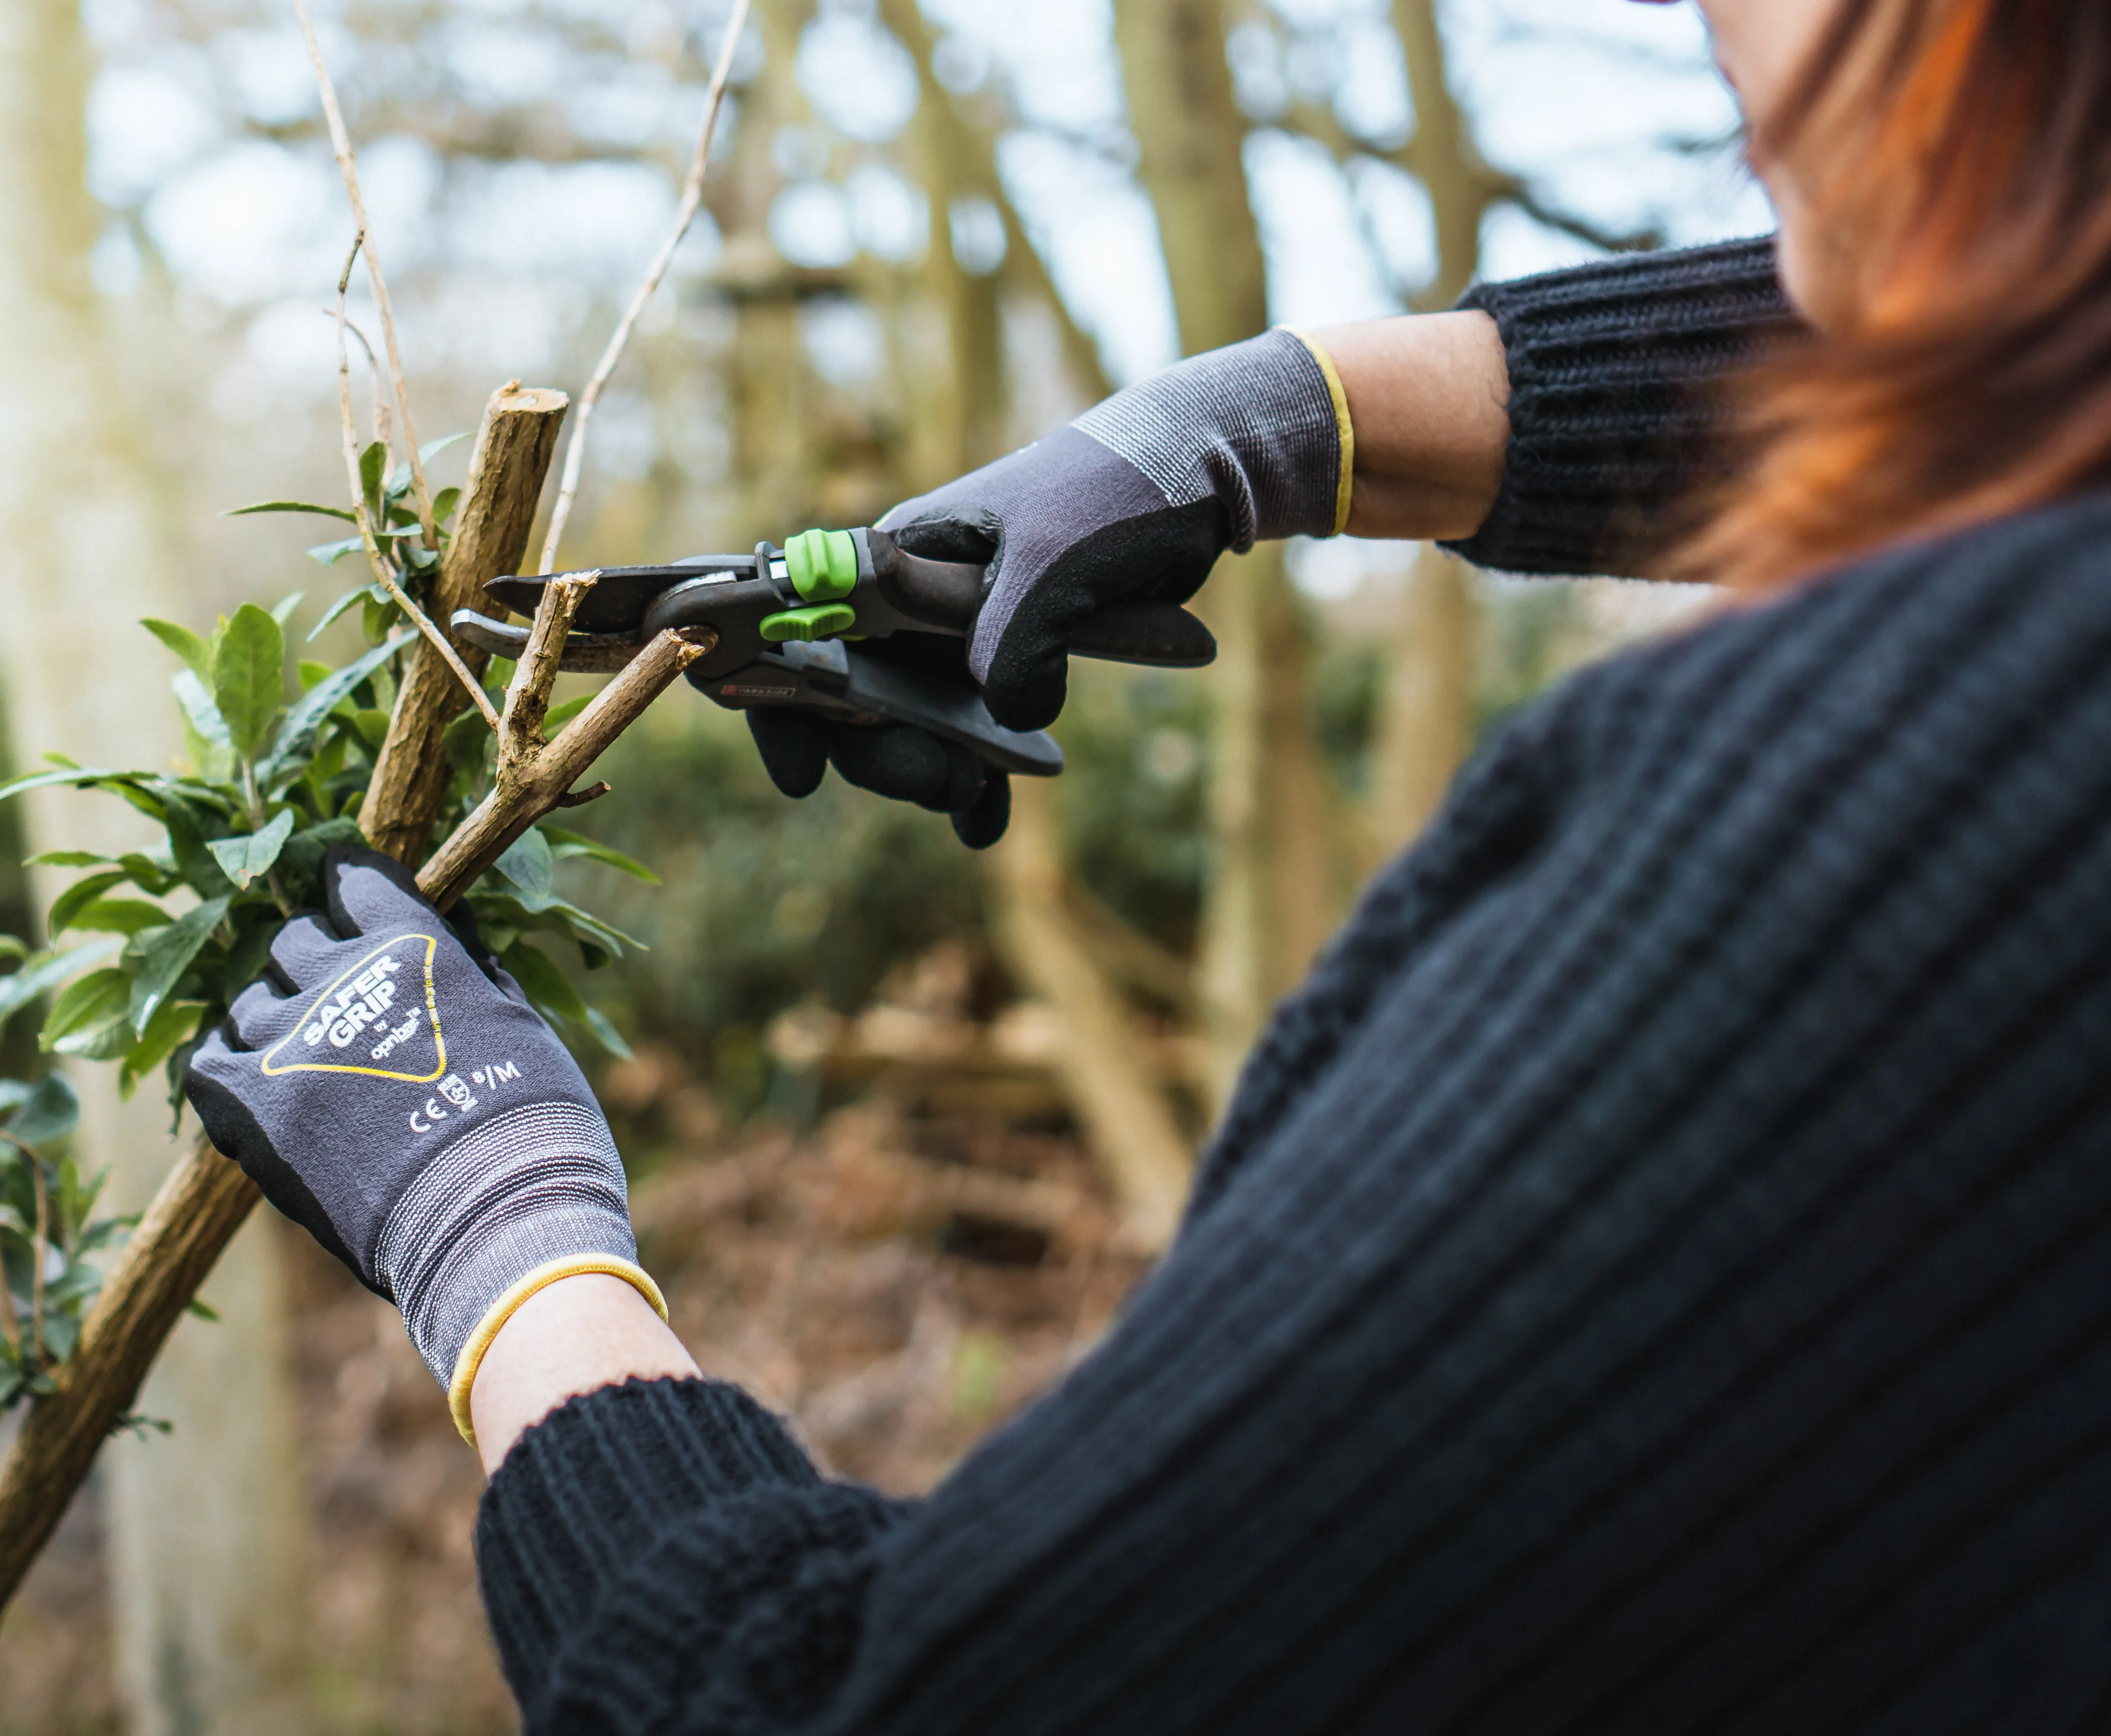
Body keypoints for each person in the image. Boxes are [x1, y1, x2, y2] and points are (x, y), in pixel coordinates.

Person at [186, 0, 2111, 1727]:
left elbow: (832, 1706)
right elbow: (1975, 308)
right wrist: (1265, 426)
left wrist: (499, 1241)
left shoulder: (1877, 852)